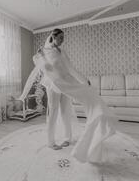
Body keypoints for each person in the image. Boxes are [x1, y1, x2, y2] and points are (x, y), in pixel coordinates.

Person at [20, 28, 118, 164]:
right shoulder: (45, 51)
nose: (62, 40)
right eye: (60, 38)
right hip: (53, 85)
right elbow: (46, 68)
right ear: (53, 38)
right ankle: (50, 142)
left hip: (65, 85)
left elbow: (71, 69)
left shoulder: (62, 52)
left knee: (66, 111)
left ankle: (67, 138)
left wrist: (84, 80)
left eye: (63, 37)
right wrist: (42, 56)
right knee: (53, 112)